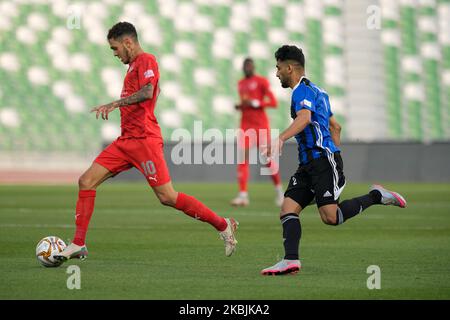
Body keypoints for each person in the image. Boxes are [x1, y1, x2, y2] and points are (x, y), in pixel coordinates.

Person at [54, 22, 238, 262]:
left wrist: (115, 103)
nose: (115, 53)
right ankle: (78, 243)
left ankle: (223, 225)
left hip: (144, 141)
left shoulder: (146, 60)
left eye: (115, 48)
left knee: (167, 197)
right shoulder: (131, 68)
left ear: (128, 42)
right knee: (86, 181)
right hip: (125, 141)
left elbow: (148, 91)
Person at [260, 45, 406, 276]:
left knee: (331, 217)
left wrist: (281, 138)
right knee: (287, 210)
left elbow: (305, 118)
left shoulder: (301, 92)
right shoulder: (319, 91)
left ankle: (376, 196)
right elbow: (335, 126)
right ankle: (290, 261)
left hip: (321, 163)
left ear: (290, 68)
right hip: (310, 164)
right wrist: (335, 152)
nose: (276, 73)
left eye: (278, 68)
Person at [231, 58, 283, 207]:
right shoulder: (240, 84)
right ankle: (243, 195)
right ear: (243, 68)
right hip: (245, 126)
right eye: (246, 66)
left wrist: (256, 103)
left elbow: (273, 102)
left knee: (267, 159)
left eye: (250, 65)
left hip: (260, 126)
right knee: (242, 159)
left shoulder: (261, 81)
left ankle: (280, 192)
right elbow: (245, 104)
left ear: (253, 67)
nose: (248, 68)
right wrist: (240, 106)